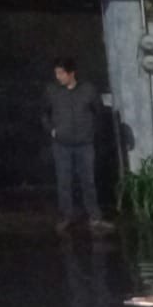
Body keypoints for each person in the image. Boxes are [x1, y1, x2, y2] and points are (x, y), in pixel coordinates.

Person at [44, 57, 112, 233]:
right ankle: (66, 217)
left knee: (88, 181)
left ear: (71, 73)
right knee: (64, 181)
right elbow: (44, 113)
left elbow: (99, 112)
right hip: (62, 144)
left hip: (84, 144)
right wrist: (52, 130)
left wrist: (91, 132)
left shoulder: (87, 90)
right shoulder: (52, 91)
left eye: (61, 73)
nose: (58, 76)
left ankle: (95, 218)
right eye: (56, 73)